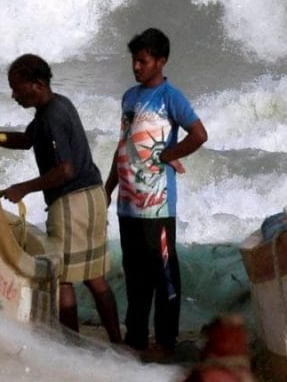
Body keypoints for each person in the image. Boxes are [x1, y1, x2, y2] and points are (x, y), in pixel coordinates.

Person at [0, 54, 122, 343]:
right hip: (93, 195)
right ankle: (118, 343)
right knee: (95, 277)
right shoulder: (57, 105)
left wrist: (23, 188)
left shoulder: (51, 117)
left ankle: (71, 348)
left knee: (62, 278)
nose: (14, 95)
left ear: (37, 84)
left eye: (18, 88)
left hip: (72, 202)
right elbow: (26, 141)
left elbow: (65, 170)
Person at [104, 27, 208, 360]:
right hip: (128, 204)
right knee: (135, 276)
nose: (137, 67)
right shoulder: (129, 97)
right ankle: (135, 339)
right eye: (135, 61)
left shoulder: (170, 97)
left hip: (157, 205)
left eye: (143, 61)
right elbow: (123, 145)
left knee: (163, 275)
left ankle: (165, 342)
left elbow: (199, 134)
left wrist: (168, 155)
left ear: (160, 62)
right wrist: (108, 188)